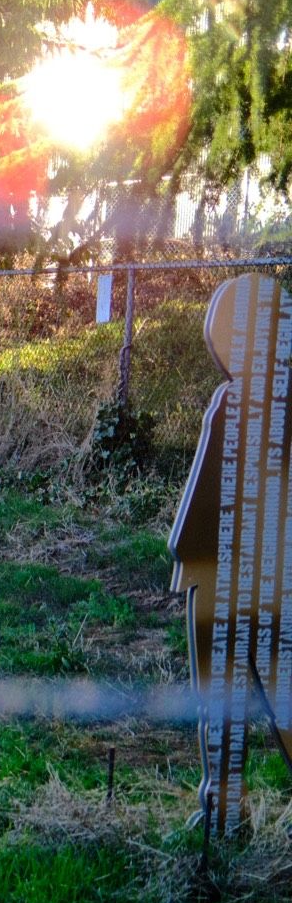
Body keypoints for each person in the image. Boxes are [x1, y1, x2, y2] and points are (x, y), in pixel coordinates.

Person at [168, 271, 292, 836]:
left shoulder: (231, 404)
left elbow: (203, 494)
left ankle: (224, 807)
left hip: (217, 577)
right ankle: (222, 807)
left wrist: (182, 553)